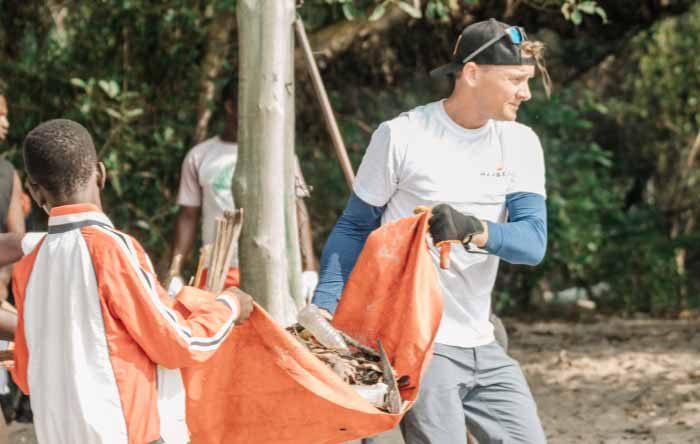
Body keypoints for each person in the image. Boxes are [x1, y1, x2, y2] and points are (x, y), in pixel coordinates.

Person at [312, 19, 549, 444]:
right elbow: (354, 226)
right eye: (515, 80)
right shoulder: (402, 136)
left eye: (526, 81)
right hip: (419, 342)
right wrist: (325, 308)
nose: (525, 93)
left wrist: (474, 230)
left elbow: (532, 243)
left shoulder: (520, 143)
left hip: (483, 338)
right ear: (472, 74)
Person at [11, 119, 254, 443]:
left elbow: (28, 377)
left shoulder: (29, 265)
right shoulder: (111, 249)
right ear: (100, 174)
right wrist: (229, 305)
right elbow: (179, 344)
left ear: (33, 190)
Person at [167, 80, 318, 296]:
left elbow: (296, 208)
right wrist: (174, 272)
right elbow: (188, 216)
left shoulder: (280, 155)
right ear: (230, 106)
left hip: (273, 270)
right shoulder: (200, 156)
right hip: (218, 272)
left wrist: (308, 267)